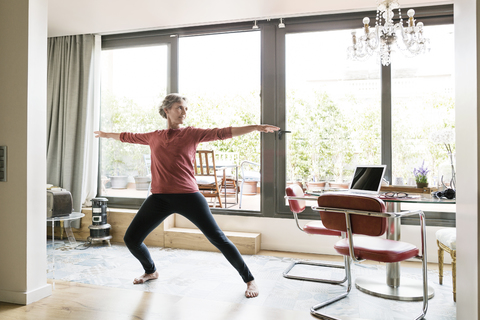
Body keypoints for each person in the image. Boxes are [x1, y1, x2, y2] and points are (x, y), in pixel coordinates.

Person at [94, 93, 279, 298]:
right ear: (167, 111)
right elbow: (127, 136)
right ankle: (150, 270)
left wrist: (255, 127)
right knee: (131, 238)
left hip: (189, 196)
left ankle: (250, 280)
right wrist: (105, 134)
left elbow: (222, 133)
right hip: (159, 198)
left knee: (218, 238)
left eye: (185, 109)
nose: (184, 112)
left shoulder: (191, 134)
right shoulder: (153, 136)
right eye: (179, 108)